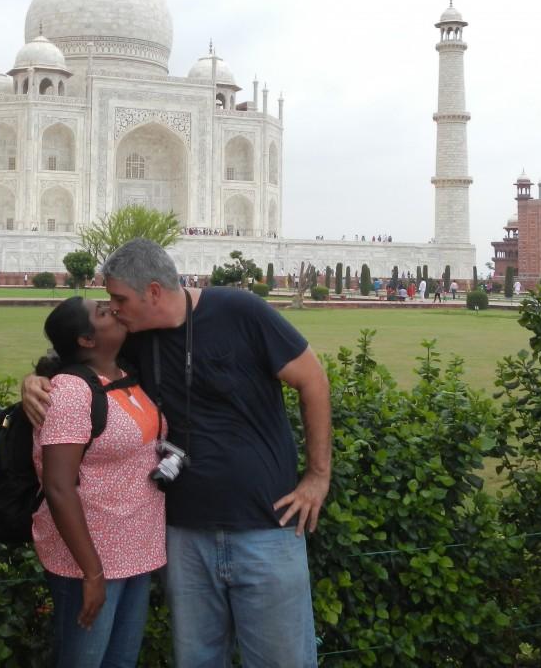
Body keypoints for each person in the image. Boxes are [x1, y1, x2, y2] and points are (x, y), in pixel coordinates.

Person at [23, 239, 331, 668]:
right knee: (198, 660)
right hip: (184, 535)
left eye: (118, 298)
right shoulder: (135, 336)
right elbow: (79, 359)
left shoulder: (240, 312)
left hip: (267, 526)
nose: (113, 309)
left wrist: (318, 476)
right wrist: (35, 380)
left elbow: (313, 379)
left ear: (152, 292)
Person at [31, 296, 165, 668]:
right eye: (103, 312)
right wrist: (92, 572)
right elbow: (58, 486)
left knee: (119, 662)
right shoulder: (72, 392)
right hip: (89, 562)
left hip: (134, 554)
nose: (115, 310)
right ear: (86, 340)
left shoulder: (125, 374)